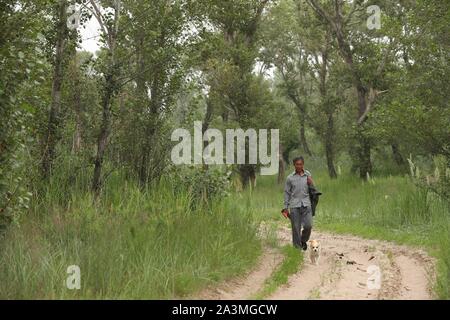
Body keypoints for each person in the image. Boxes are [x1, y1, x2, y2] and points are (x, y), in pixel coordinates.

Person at [281, 156, 314, 251]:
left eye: (300, 164)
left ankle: (303, 240)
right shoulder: (290, 178)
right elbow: (287, 193)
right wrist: (285, 208)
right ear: (294, 165)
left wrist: (312, 182)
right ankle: (297, 250)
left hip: (306, 205)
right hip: (294, 206)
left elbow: (312, 189)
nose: (299, 166)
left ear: (303, 164)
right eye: (297, 164)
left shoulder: (308, 174)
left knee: (308, 226)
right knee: (296, 229)